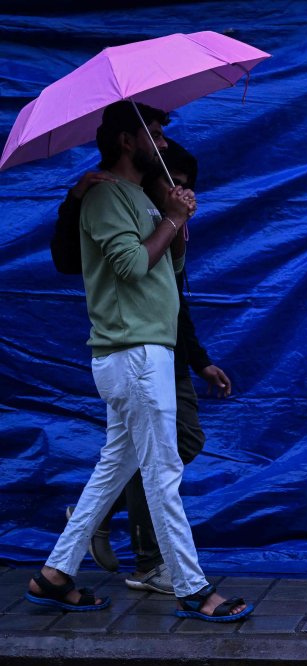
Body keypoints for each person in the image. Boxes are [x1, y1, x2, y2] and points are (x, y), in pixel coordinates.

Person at [24, 102, 250, 622]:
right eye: (156, 132)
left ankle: (54, 575)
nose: (165, 143)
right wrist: (170, 218)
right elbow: (128, 267)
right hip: (134, 353)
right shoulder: (104, 195)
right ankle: (192, 588)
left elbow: (161, 272)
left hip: (145, 350)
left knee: (112, 470)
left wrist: (176, 224)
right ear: (128, 141)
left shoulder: (137, 198)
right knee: (163, 471)